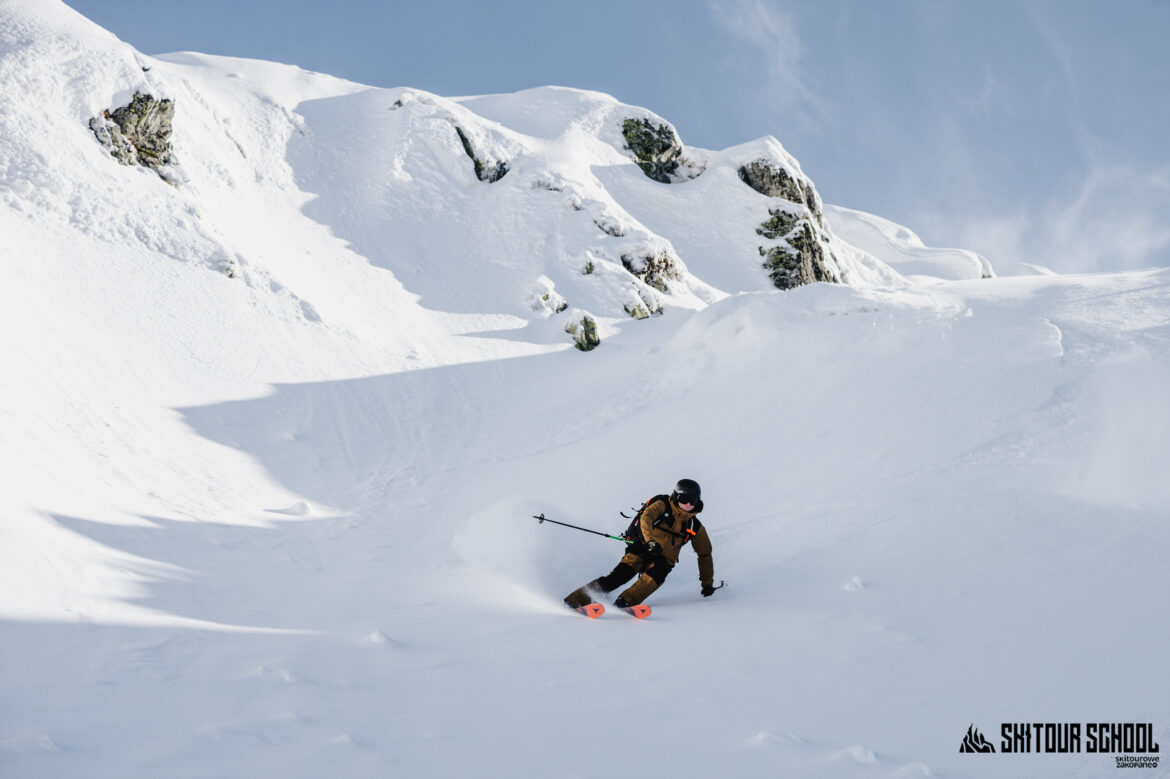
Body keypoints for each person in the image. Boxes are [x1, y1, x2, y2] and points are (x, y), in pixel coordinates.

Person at [564, 478, 716, 609]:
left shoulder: (693, 526)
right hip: (641, 547)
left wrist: (707, 583)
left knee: (653, 579)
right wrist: (650, 541)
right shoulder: (663, 505)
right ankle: (574, 600)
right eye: (684, 499)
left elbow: (705, 553)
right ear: (676, 497)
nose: (688, 504)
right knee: (618, 577)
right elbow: (646, 517)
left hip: (663, 560)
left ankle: (624, 603)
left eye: (693, 500)